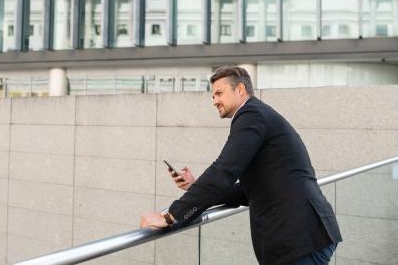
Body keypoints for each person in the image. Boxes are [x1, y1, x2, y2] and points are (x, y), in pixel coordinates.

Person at [140, 66, 342, 265]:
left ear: (240, 90)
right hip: (304, 236)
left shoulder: (251, 115)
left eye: (219, 93)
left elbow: (223, 171)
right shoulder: (257, 115)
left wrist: (170, 216)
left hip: (299, 238)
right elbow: (244, 193)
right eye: (213, 96)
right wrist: (195, 185)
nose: (215, 101)